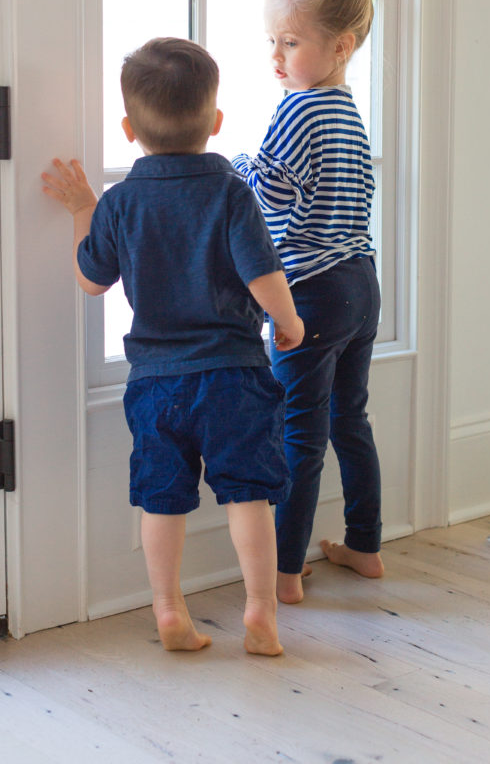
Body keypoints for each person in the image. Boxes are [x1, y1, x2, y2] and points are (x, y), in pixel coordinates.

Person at [42, 37, 303, 655]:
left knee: (163, 497)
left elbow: (89, 279)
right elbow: (262, 272)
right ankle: (261, 610)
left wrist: (84, 208)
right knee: (249, 492)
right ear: (215, 122)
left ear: (129, 128)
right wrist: (285, 320)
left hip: (156, 383)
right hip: (234, 375)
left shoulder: (122, 203)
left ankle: (168, 611)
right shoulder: (231, 194)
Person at [233, 0, 383, 605]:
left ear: (340, 47)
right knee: (349, 418)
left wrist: (234, 165)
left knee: (299, 430)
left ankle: (286, 570)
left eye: (289, 43)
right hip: (359, 283)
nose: (275, 58)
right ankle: (365, 544)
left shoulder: (297, 110)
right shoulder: (347, 111)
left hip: (312, 293)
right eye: (272, 43)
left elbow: (265, 198)